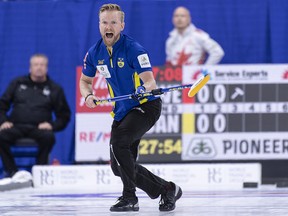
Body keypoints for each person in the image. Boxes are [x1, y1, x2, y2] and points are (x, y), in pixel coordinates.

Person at [80, 3, 182, 212]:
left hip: (145, 106)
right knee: (119, 167)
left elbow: (151, 82)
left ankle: (129, 198)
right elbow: (85, 81)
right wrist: (88, 95)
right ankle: (167, 189)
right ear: (99, 25)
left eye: (114, 22)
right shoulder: (94, 53)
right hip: (122, 110)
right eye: (105, 22)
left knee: (120, 142)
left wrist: (143, 89)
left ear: (122, 25)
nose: (109, 26)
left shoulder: (134, 49)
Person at [0, 53, 71, 182]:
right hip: (16, 126)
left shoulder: (54, 89)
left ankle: (39, 171)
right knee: (1, 135)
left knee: (49, 137)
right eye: (36, 64)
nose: (39, 67)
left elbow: (64, 115)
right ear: (30, 68)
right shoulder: (17, 83)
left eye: (42, 65)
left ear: (47, 68)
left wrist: (52, 125)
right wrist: (3, 121)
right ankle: (12, 172)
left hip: (39, 129)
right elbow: (2, 105)